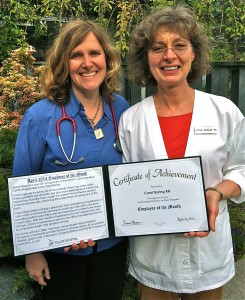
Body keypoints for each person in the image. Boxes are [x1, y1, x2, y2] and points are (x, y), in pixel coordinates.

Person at [119, 6, 245, 300]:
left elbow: (241, 168)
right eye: (158, 48)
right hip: (153, 257)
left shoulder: (224, 112)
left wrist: (217, 192)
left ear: (193, 54)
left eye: (179, 46)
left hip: (208, 253)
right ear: (145, 58)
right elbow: (126, 187)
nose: (169, 56)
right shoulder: (132, 121)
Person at [12, 19, 129, 300]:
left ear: (106, 58)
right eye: (76, 55)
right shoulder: (40, 117)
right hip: (59, 253)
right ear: (64, 63)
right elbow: (23, 187)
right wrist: (32, 252)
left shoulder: (122, 110)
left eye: (94, 53)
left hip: (111, 248)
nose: (87, 63)